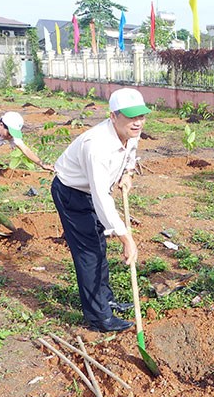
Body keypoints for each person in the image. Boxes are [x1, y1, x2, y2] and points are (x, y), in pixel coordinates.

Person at [51, 88, 150, 333]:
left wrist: (127, 173)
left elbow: (131, 153)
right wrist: (126, 237)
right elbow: (100, 197)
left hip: (92, 191)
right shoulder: (96, 146)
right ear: (113, 116)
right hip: (72, 193)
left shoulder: (131, 132)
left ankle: (106, 298)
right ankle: (99, 317)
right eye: (130, 117)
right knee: (89, 253)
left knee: (99, 246)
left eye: (141, 116)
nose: (137, 122)